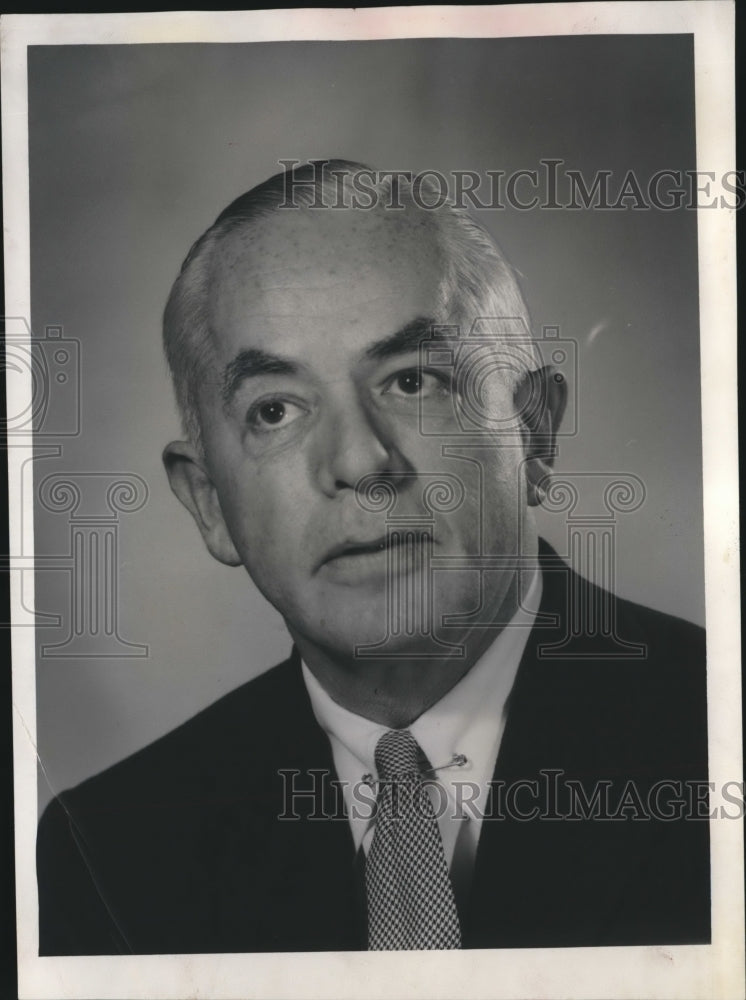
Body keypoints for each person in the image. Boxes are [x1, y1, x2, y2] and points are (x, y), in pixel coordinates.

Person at [37, 161, 710, 955]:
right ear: (209, 502)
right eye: (275, 409)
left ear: (533, 432)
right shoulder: (109, 851)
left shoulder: (715, 732)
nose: (359, 460)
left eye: (413, 380)